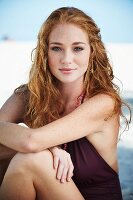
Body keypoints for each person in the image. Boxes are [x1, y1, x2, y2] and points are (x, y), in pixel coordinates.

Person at [0, 7, 131, 200]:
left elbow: (30, 141)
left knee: (30, 159)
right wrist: (52, 150)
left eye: (77, 48)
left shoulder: (103, 103)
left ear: (92, 52)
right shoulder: (27, 96)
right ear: (45, 52)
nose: (67, 60)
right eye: (56, 48)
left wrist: (41, 149)